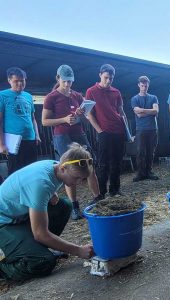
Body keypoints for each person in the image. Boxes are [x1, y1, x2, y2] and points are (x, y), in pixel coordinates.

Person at [0, 143, 94, 281]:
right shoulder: (41, 184)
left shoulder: (55, 165)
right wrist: (78, 250)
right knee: (43, 262)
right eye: (76, 178)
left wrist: (52, 193)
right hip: (4, 223)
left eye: (83, 179)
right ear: (63, 168)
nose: (79, 182)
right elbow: (40, 234)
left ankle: (36, 248)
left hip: (18, 216)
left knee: (64, 206)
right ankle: (4, 268)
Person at [42, 65, 101, 220]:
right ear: (58, 79)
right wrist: (64, 119)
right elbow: (44, 121)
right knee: (70, 171)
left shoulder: (77, 95)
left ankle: (98, 199)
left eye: (70, 81)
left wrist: (81, 114)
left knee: (89, 165)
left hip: (79, 133)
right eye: (65, 81)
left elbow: (84, 116)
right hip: (62, 136)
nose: (68, 84)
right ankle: (75, 207)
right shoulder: (51, 97)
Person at [86, 64, 129, 199]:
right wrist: (100, 131)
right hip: (104, 132)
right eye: (106, 77)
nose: (108, 81)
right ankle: (101, 193)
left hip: (119, 130)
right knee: (103, 163)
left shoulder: (116, 92)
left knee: (117, 161)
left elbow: (121, 112)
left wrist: (127, 131)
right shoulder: (91, 91)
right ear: (100, 75)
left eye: (111, 78)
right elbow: (89, 114)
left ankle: (115, 189)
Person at [0, 67, 41, 175]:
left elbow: (32, 118)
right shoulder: (2, 95)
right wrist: (2, 143)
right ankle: (15, 192)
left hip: (30, 139)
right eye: (16, 81)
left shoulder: (28, 96)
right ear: (9, 80)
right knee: (15, 172)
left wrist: (36, 135)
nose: (19, 83)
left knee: (31, 170)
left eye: (22, 81)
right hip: (13, 141)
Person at [131, 76, 159, 182]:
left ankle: (149, 172)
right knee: (140, 152)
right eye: (142, 86)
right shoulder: (135, 99)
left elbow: (156, 111)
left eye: (146, 86)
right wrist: (150, 111)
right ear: (139, 85)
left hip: (152, 128)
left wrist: (142, 110)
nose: (144, 88)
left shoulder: (153, 97)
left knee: (151, 152)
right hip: (141, 129)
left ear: (148, 85)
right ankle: (141, 173)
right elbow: (139, 115)